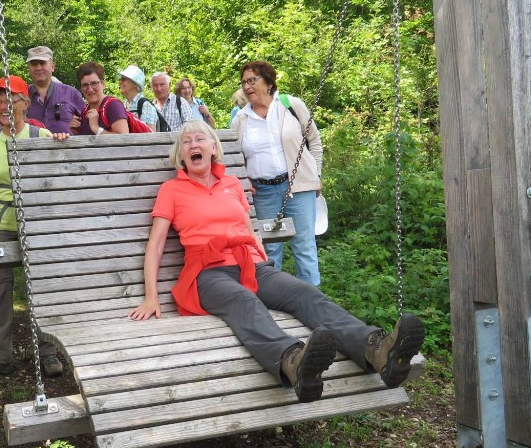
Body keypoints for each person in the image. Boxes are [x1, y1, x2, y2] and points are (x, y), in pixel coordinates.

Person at [129, 120, 425, 403]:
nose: (193, 144)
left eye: (200, 138)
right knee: (244, 301)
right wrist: (151, 297)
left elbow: (248, 229)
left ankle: (376, 349)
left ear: (213, 149)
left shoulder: (231, 184)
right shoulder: (172, 190)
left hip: (251, 264)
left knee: (303, 292)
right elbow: (155, 245)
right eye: (186, 141)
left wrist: (262, 264)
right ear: (180, 155)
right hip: (209, 273)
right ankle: (293, 361)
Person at [0, 76, 68, 381]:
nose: (3, 106)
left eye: (9, 100)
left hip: (37, 224)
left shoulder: (39, 135)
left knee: (41, 287)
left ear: (24, 104)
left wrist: (61, 144)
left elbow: (57, 176)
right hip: (1, 222)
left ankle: (48, 351)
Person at [231, 61, 323, 285]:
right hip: (264, 193)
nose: (247, 86)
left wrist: (316, 174)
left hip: (298, 188)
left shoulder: (290, 105)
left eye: (252, 80)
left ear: (269, 83)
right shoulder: (240, 120)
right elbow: (234, 158)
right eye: (244, 82)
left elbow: (314, 140)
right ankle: (274, 303)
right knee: (270, 251)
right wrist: (244, 181)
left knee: (304, 247)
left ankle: (313, 305)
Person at [25, 45, 85, 133]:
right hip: (29, 146)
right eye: (34, 64)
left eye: (42, 63)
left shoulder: (71, 93)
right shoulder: (22, 95)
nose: (38, 68)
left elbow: (87, 123)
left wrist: (78, 126)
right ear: (29, 68)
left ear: (52, 66)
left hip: (66, 146)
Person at [70, 62, 129, 136]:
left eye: (94, 83)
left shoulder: (113, 105)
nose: (90, 89)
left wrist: (96, 128)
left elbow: (124, 138)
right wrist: (73, 129)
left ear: (103, 84)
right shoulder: (85, 110)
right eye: (85, 85)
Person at [117, 65, 159, 131]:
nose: (120, 82)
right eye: (120, 79)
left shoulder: (145, 104)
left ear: (135, 83)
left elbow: (151, 135)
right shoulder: (124, 104)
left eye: (123, 79)